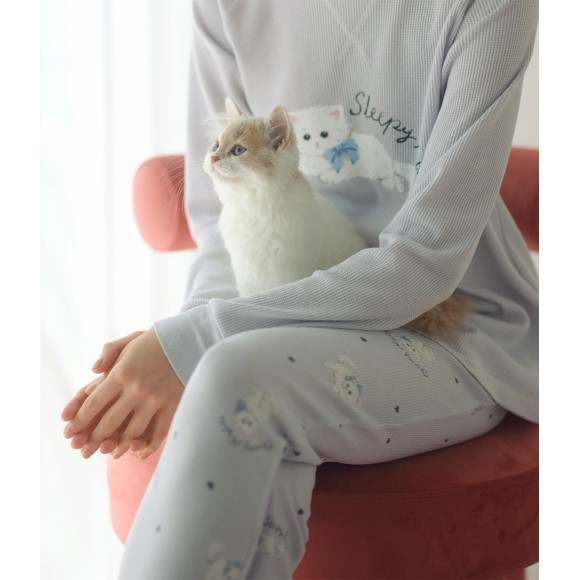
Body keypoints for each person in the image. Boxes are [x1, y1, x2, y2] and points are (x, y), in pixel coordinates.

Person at [61, 1, 539, 578]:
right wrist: (194, 336)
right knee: (234, 387)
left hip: (457, 324)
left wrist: (197, 341)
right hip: (289, 315)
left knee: (237, 376)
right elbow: (219, 222)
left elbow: (426, 261)